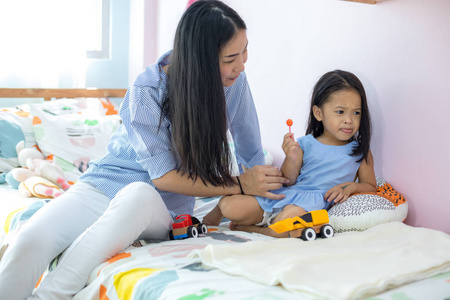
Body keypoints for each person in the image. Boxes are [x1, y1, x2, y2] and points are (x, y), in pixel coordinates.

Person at [0, 1, 288, 299]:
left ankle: (50, 295)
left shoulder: (234, 83)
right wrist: (237, 183)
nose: (242, 64)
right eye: (231, 57)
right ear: (200, 59)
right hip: (104, 185)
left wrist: (271, 201)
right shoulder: (147, 90)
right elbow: (165, 174)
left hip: (160, 207)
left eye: (244, 51)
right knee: (29, 241)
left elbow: (251, 158)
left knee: (138, 195)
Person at [203, 70, 377, 237]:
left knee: (291, 220)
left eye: (356, 113)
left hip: (312, 205)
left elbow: (371, 186)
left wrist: (352, 187)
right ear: (318, 113)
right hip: (287, 194)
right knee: (230, 205)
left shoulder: (359, 151)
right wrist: (290, 157)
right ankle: (218, 212)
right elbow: (288, 180)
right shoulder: (305, 143)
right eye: (340, 112)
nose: (349, 119)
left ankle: (256, 230)